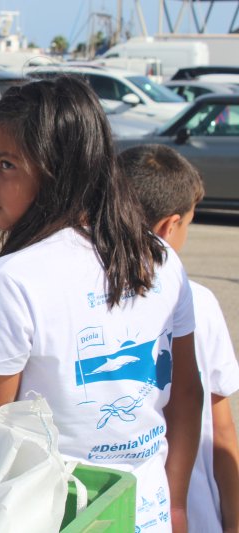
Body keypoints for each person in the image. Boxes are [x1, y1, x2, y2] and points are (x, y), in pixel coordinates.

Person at [0, 77, 202, 532]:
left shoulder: (10, 279)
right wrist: (177, 507)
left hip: (57, 514)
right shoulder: (160, 255)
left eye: (7, 165)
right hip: (147, 511)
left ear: (60, 170)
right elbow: (187, 395)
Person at [119, 144, 239, 533]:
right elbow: (223, 435)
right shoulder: (198, 301)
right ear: (169, 227)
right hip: (190, 513)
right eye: (189, 222)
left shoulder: (79, 295)